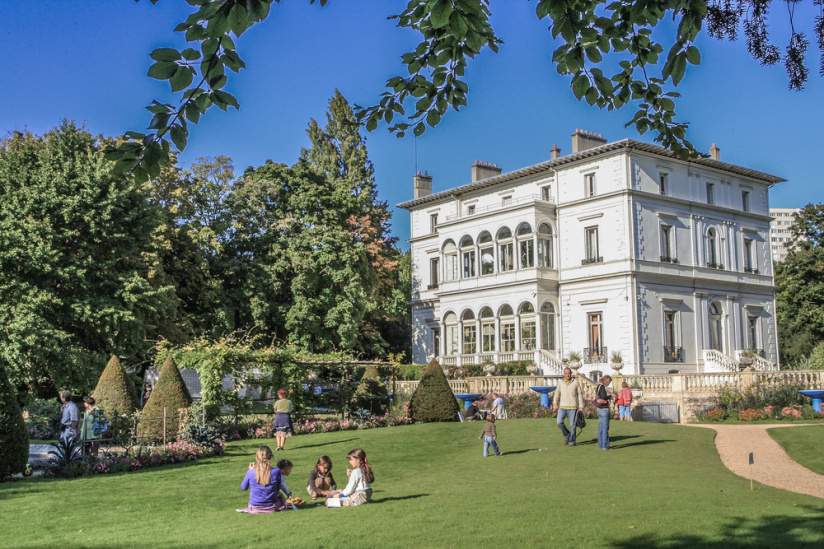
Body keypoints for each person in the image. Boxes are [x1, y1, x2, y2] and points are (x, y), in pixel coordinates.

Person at [237, 446, 288, 513]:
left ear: (257, 457)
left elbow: (244, 487)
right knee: (281, 496)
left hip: (255, 506)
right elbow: (277, 488)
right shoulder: (276, 471)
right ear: (271, 457)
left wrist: (249, 471)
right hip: (272, 506)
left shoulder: (251, 472)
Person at [552, 367, 585, 447]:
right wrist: (555, 403)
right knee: (559, 422)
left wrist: (581, 406)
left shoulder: (575, 382)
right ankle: (567, 435)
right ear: (564, 374)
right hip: (562, 406)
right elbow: (557, 393)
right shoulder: (561, 383)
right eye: (566, 373)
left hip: (572, 407)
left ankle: (572, 441)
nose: (568, 375)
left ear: (571, 374)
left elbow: (580, 394)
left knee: (572, 425)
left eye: (569, 373)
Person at [596, 375, 615, 450]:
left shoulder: (598, 386)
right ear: (606, 380)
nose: (609, 383)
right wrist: (610, 396)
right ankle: (605, 446)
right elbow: (604, 396)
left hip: (599, 409)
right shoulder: (603, 387)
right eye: (609, 382)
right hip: (604, 409)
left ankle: (601, 445)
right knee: (605, 428)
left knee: (600, 428)